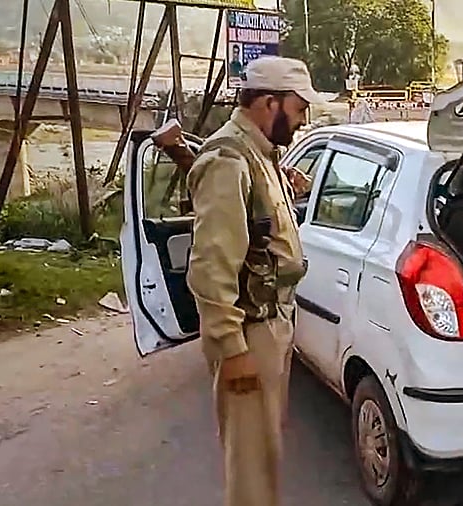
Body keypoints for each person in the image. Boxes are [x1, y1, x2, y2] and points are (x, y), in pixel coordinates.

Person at [186, 56, 324, 506]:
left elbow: (258, 225)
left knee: (265, 450)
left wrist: (285, 184)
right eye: (298, 109)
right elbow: (211, 265)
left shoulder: (258, 154)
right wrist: (233, 349)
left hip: (270, 321)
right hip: (249, 332)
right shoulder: (228, 159)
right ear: (269, 102)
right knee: (251, 462)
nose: (302, 122)